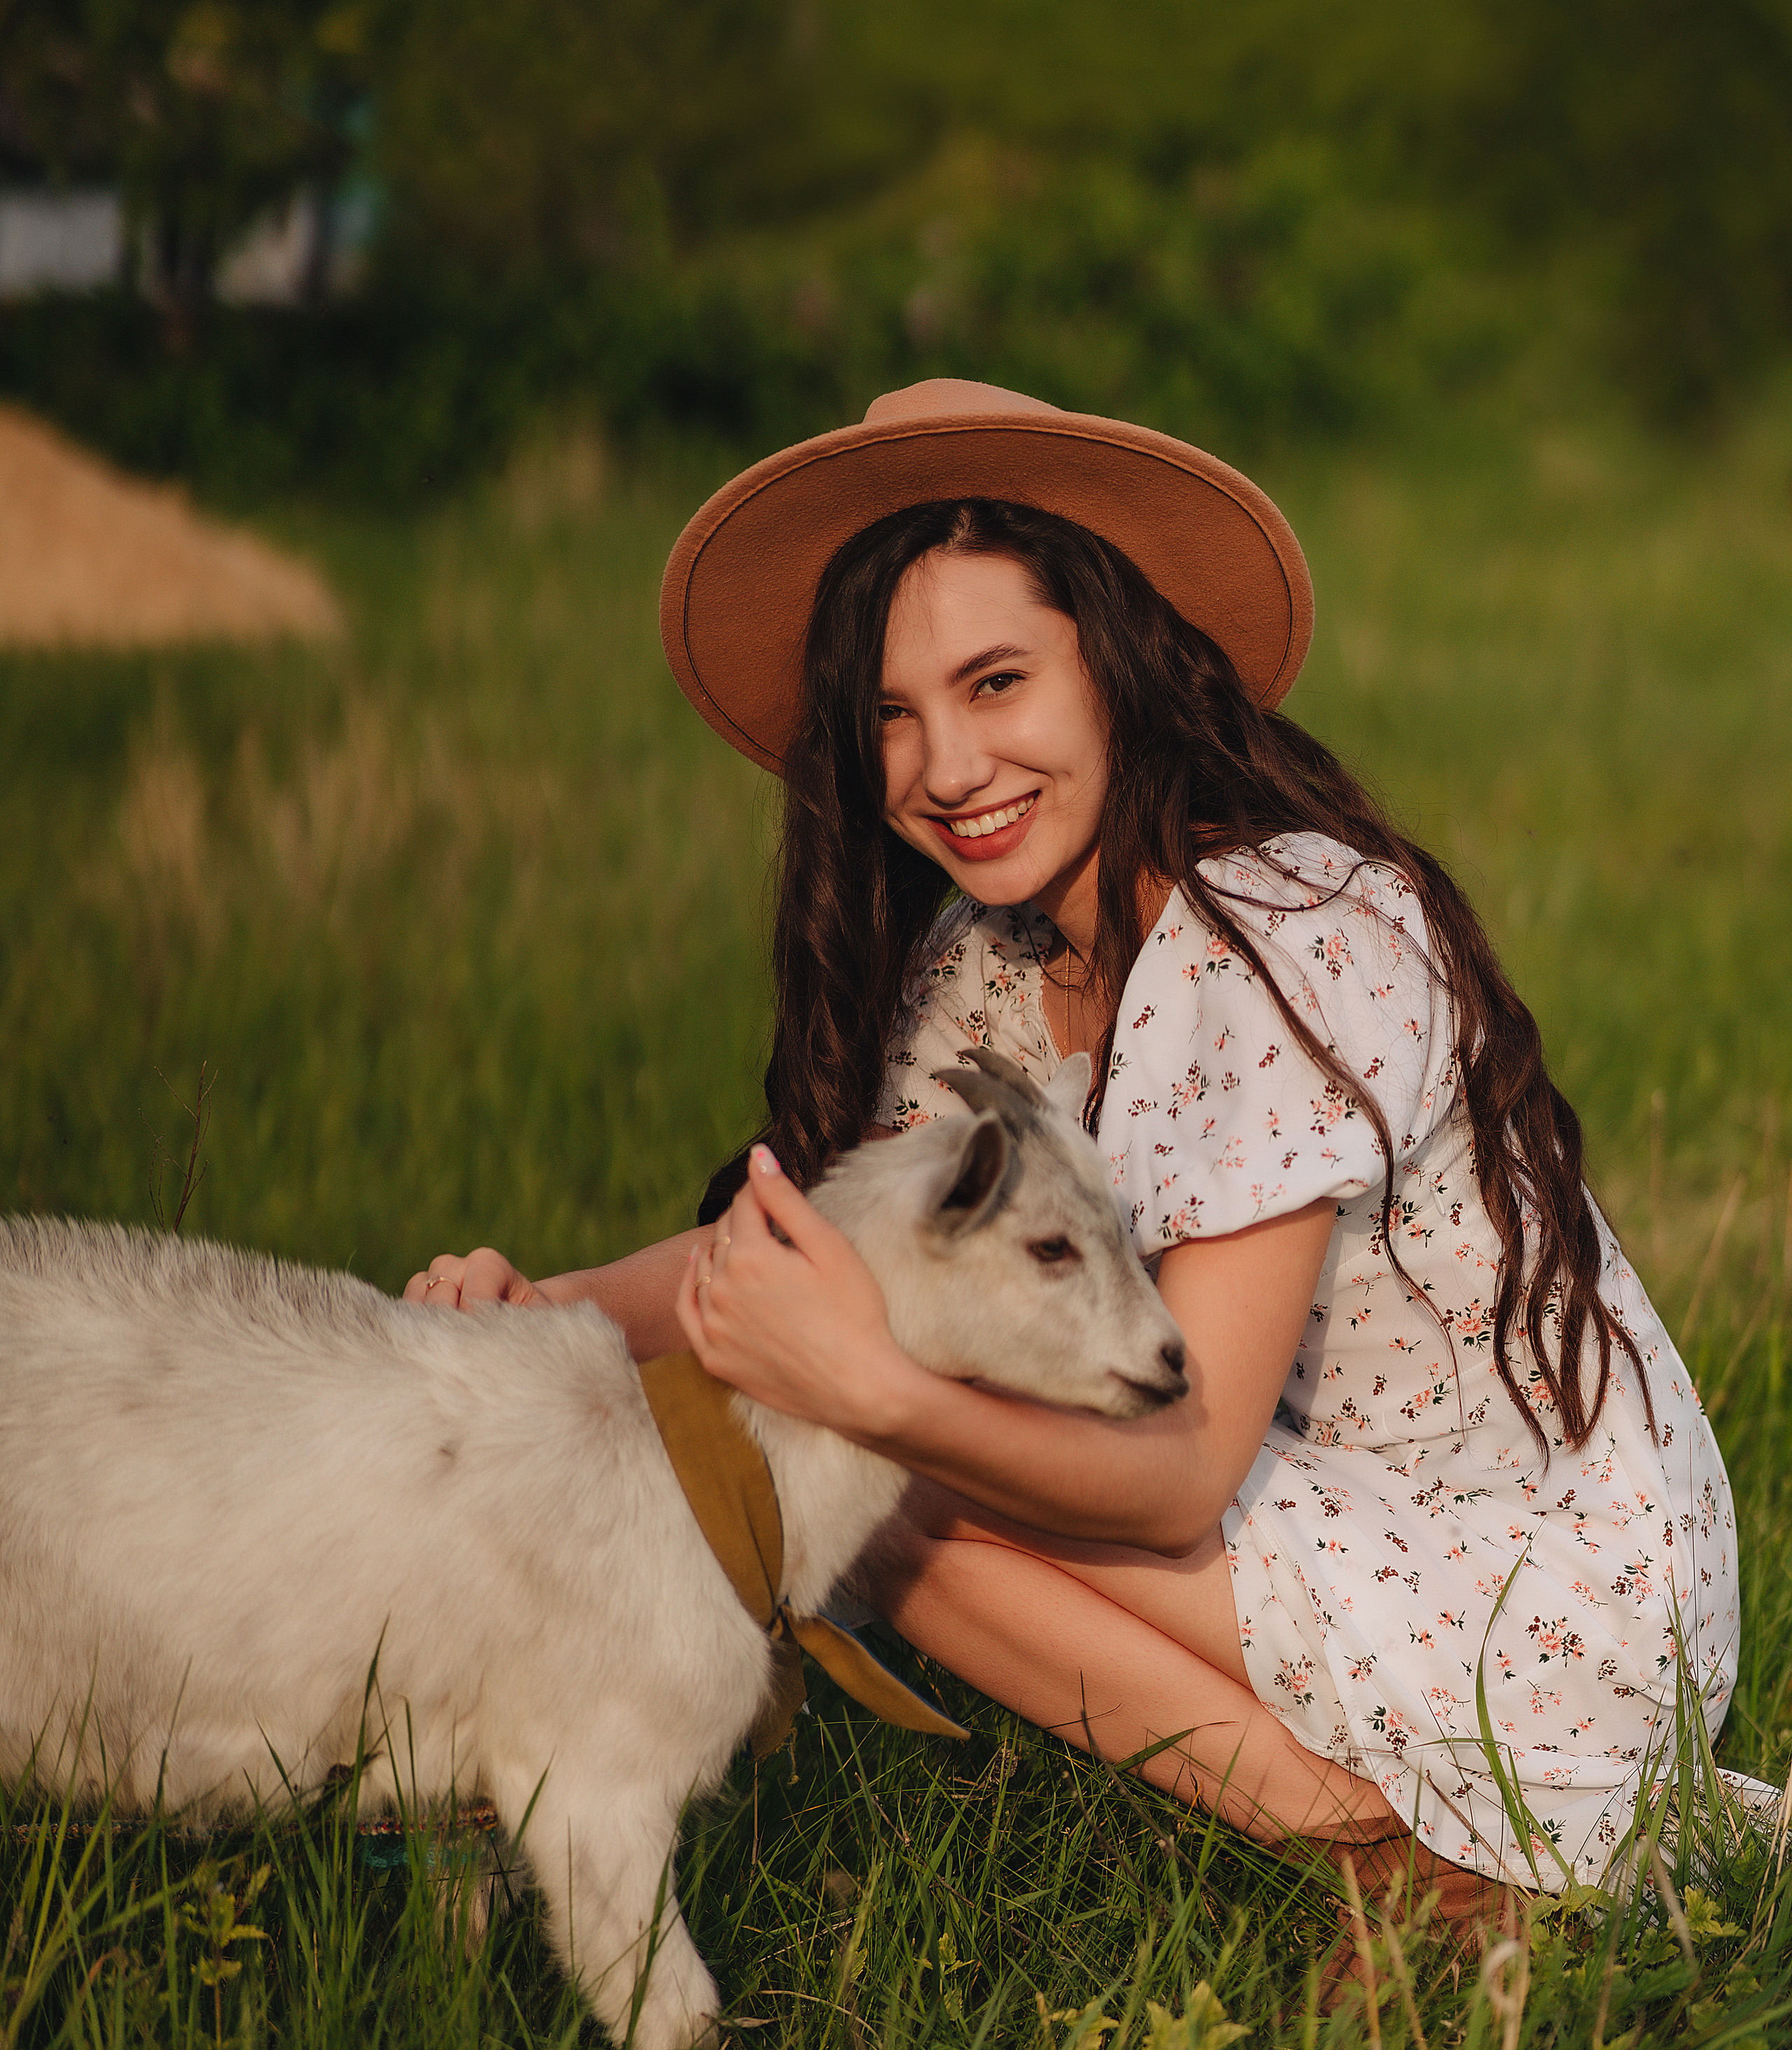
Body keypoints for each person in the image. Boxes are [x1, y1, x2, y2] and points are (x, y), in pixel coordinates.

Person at [406, 379, 1758, 1923]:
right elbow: (816, 1253)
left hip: (1548, 1597)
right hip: (1327, 1525)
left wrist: (879, 1389)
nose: (945, 765)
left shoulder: (1285, 933)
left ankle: (1436, 1858)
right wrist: (549, 1307)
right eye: (892, 717)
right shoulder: (990, 965)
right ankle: (1383, 1853)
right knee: (837, 1453)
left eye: (994, 682)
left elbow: (1178, 1474)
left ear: (1114, 663)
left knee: (864, 1434)